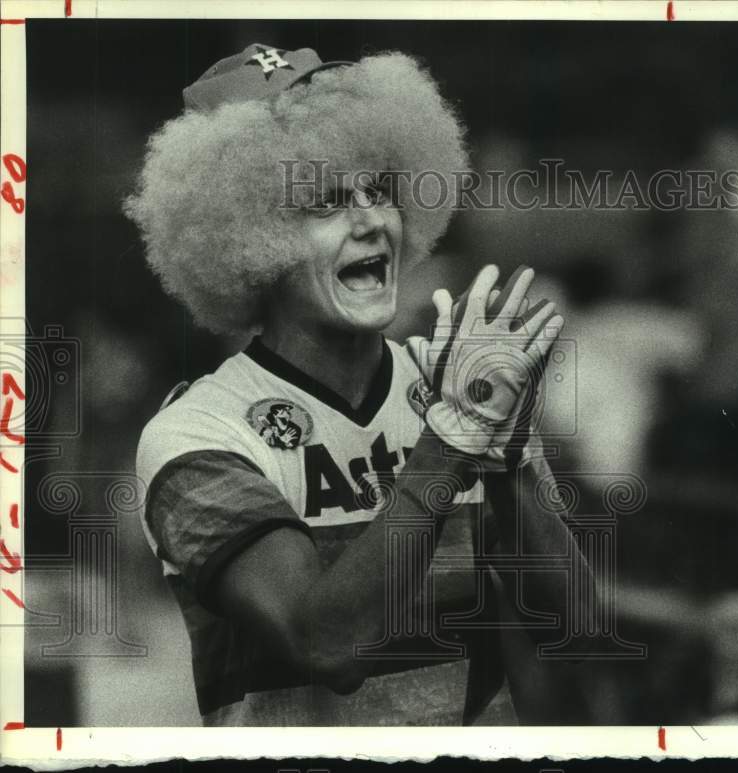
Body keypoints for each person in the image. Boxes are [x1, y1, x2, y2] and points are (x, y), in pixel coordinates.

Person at [125, 44, 590, 726]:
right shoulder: (197, 432)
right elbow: (327, 644)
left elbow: (576, 629)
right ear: (252, 241)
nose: (371, 220)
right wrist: (448, 446)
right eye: (327, 202)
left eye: (379, 191)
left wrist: (510, 465)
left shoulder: (454, 386)